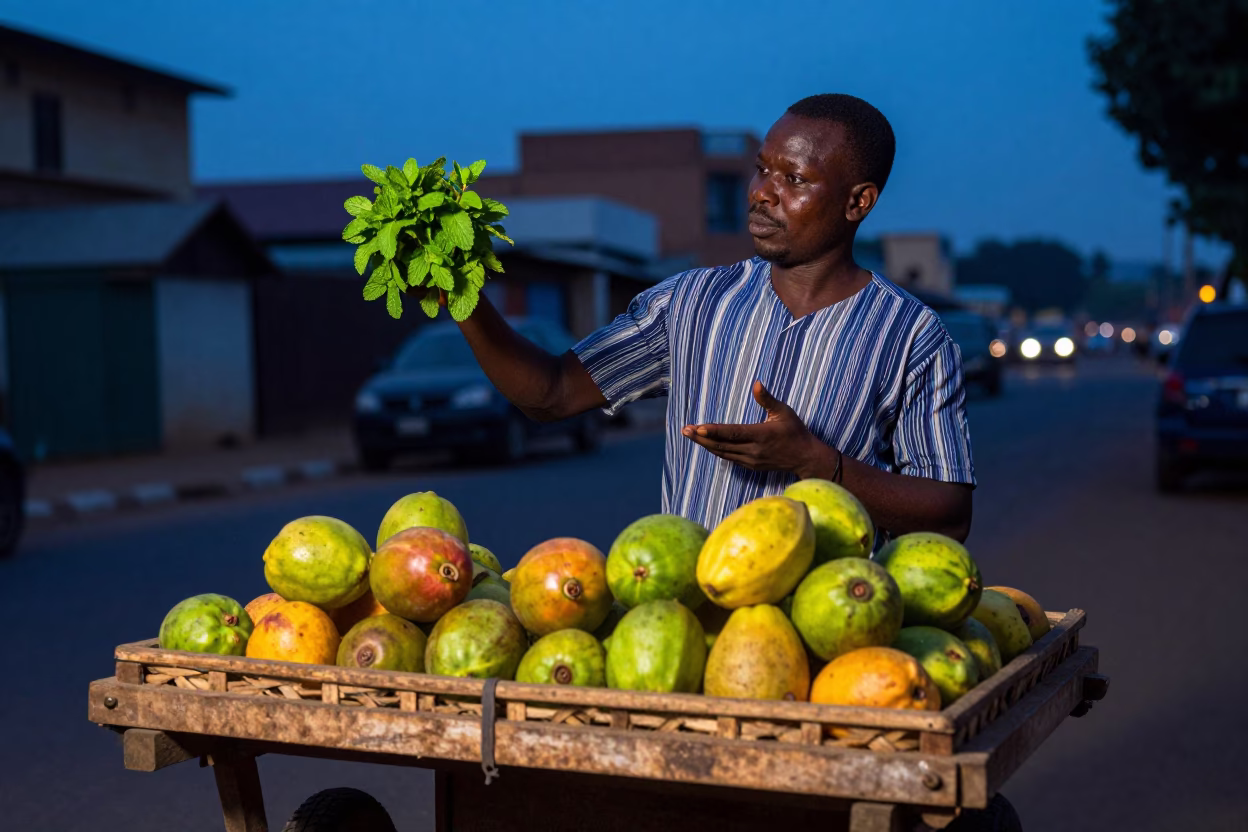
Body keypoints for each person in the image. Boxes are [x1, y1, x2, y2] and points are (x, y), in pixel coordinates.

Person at [447, 93, 974, 542]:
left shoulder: (912, 337)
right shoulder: (692, 302)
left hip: (826, 637)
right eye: (763, 169)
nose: (763, 192)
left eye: (794, 178)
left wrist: (817, 463)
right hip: (688, 622)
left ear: (858, 202)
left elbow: (950, 514)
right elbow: (551, 393)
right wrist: (461, 295)